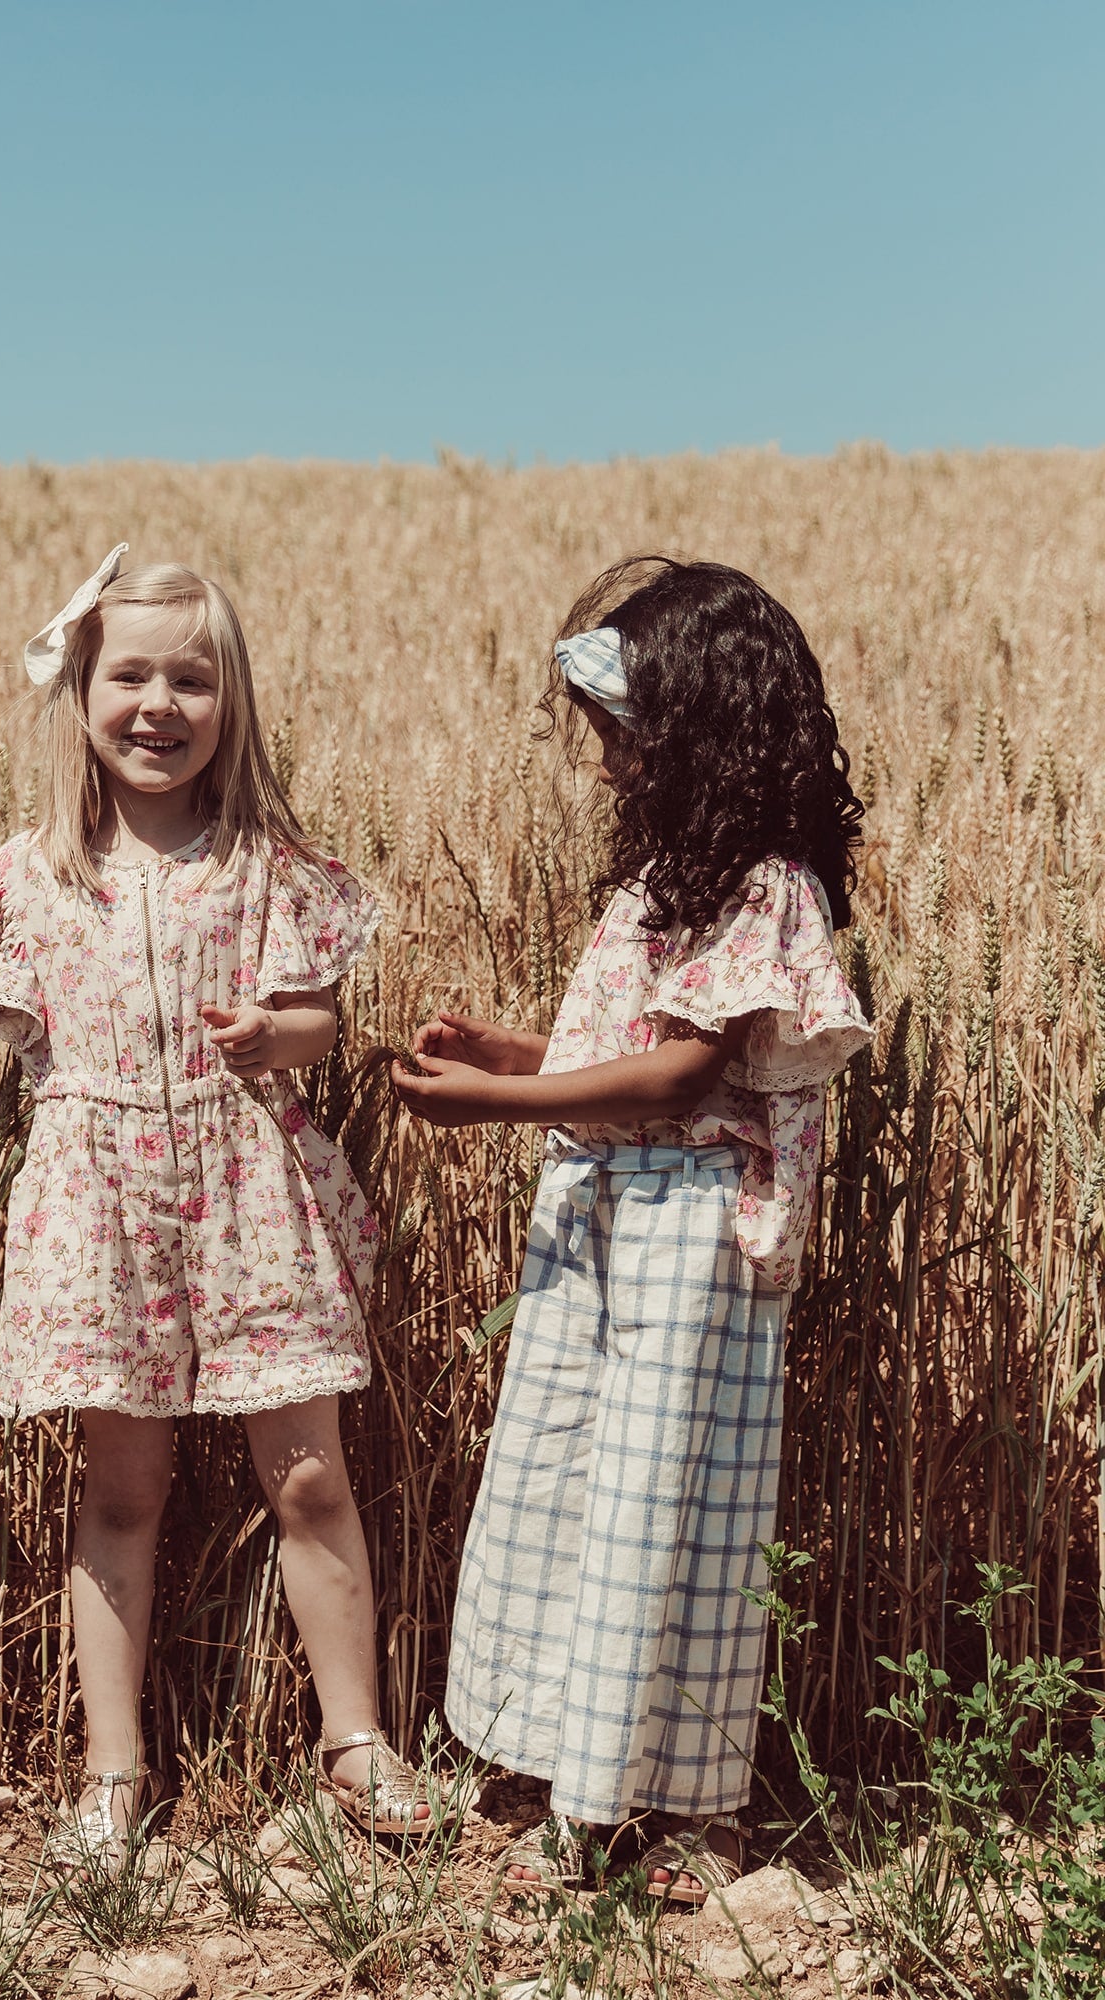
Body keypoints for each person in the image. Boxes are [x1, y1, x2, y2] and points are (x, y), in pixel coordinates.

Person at [0, 546, 434, 1860]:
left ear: (232, 703)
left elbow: (326, 1011)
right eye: (132, 676)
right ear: (82, 692)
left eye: (192, 681)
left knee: (312, 1473)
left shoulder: (269, 866)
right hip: (96, 1208)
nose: (160, 706)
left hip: (250, 1192)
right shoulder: (27, 877)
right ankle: (113, 1773)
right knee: (120, 1490)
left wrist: (292, 1032)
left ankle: (356, 1744)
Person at [393, 557, 871, 1906]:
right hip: (604, 1221)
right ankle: (572, 1772)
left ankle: (689, 1808)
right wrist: (507, 1050)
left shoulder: (769, 887)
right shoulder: (667, 879)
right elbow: (624, 1051)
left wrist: (501, 1102)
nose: (606, 761)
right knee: (577, 1490)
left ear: (708, 726)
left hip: (685, 1238)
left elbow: (682, 1081)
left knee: (669, 1507)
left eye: (626, 732)